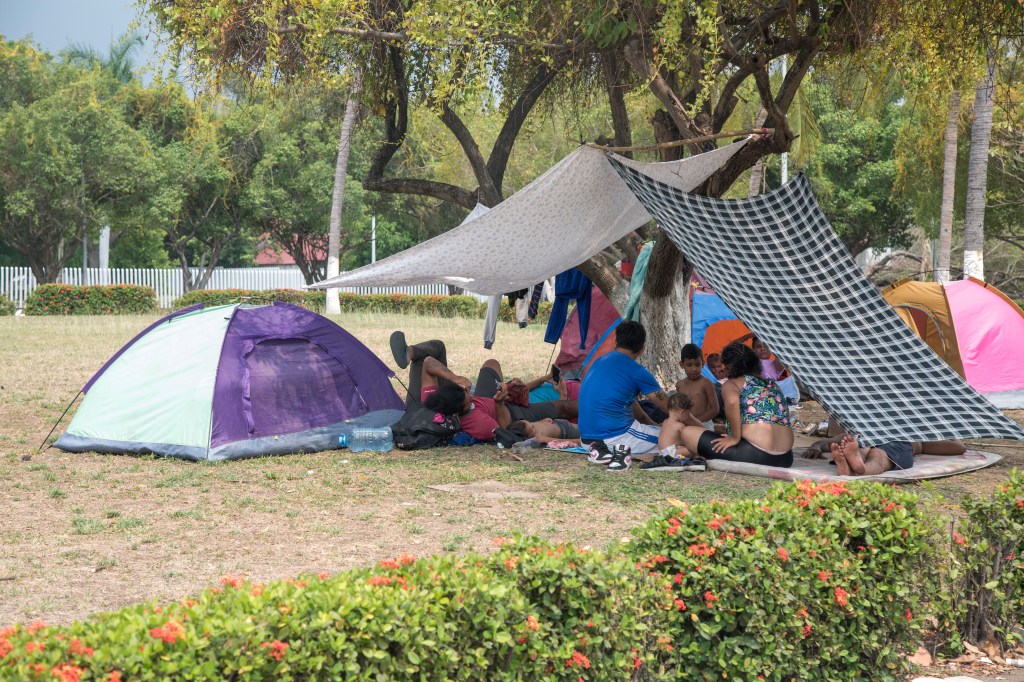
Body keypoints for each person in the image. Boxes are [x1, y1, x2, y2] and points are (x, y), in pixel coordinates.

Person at [389, 332, 576, 443]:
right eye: (468, 398)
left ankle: (409, 353)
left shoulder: (432, 400)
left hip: (493, 399)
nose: (470, 394)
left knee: (490, 363)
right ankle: (600, 409)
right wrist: (501, 403)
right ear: (457, 414)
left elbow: (429, 362)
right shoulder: (480, 423)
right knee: (564, 408)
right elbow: (505, 431)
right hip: (509, 412)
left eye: (465, 392)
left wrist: (454, 377)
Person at [678, 342, 794, 467]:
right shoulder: (771, 384)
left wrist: (735, 438)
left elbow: (732, 402)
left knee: (687, 432)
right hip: (786, 458)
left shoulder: (731, 384)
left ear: (729, 367)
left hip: (757, 455)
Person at [578, 321, 671, 470]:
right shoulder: (637, 371)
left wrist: (651, 424)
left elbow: (631, 404)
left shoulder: (598, 362)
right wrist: (699, 428)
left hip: (587, 439)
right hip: (615, 437)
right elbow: (671, 408)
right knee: (674, 438)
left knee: (658, 430)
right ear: (642, 349)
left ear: (615, 341)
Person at [802, 434, 967, 476]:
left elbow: (958, 447)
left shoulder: (916, 436)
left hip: (880, 441)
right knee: (877, 454)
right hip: (874, 440)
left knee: (874, 451)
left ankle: (854, 466)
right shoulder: (915, 439)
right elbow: (958, 447)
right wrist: (816, 447)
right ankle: (858, 466)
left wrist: (817, 446)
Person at [675, 344, 720, 428]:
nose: (694, 369)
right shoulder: (679, 385)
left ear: (702, 364)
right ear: (682, 364)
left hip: (704, 424)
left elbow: (715, 409)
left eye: (697, 364)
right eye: (689, 365)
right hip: (686, 425)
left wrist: (695, 421)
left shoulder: (706, 383)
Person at [509, 417, 580, 444]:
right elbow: (558, 441)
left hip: (557, 422)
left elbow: (533, 424)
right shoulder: (539, 438)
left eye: (530, 423)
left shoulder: (528, 426)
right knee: (586, 429)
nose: (533, 425)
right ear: (529, 437)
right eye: (533, 429)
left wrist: (541, 421)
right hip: (567, 431)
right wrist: (578, 441)